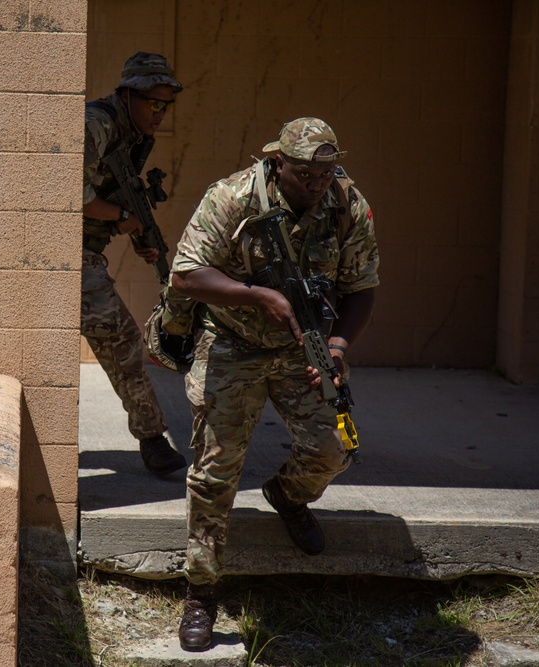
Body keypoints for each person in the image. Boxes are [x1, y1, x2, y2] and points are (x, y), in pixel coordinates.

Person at [170, 118, 380, 651]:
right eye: (304, 172)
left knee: (334, 448)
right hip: (231, 343)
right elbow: (187, 274)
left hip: (301, 346)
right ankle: (201, 591)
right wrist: (259, 296)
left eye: (325, 172)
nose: (315, 183)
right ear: (277, 162)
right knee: (216, 468)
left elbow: (362, 287)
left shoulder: (347, 204)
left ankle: (286, 497)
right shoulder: (232, 196)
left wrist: (335, 348)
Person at [81, 51, 186, 477]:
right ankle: (152, 440)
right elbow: (70, 191)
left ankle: (152, 440)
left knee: (121, 343)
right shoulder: (97, 124)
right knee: (124, 341)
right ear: (127, 95)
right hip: (61, 254)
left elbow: (119, 191)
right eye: (152, 103)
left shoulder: (135, 134)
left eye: (166, 106)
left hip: (86, 250)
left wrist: (140, 230)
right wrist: (124, 220)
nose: (159, 114)